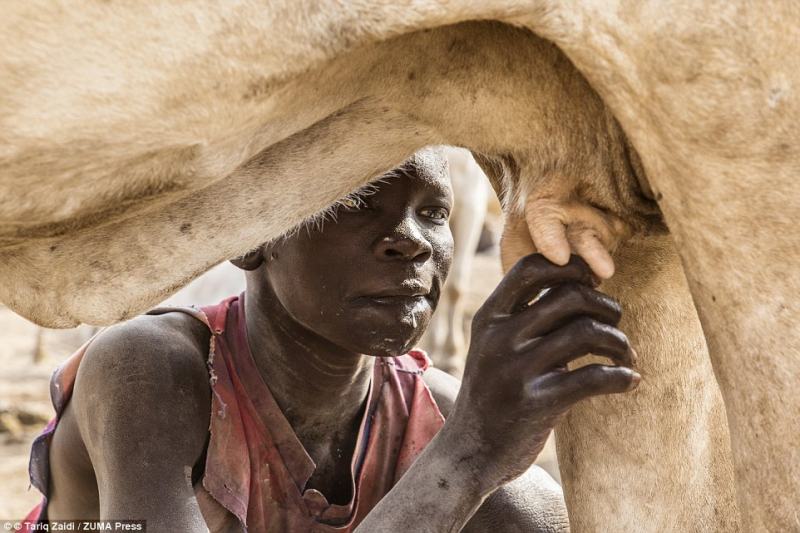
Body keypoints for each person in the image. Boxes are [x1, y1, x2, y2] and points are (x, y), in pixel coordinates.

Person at [23, 148, 639, 532]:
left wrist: (485, 453)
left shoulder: (437, 414)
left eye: (432, 213)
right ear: (252, 234)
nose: (412, 240)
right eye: (358, 200)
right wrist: (472, 456)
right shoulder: (150, 369)